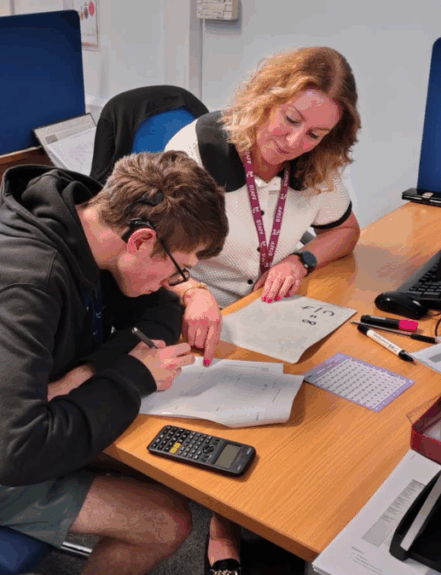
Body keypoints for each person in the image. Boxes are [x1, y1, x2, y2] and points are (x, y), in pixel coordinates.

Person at [0, 151, 229, 575]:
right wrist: (130, 375)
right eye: (178, 270)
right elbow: (14, 456)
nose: (175, 284)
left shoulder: (92, 235)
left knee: (180, 452)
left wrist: (85, 374)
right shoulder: (20, 284)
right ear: (140, 241)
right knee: (165, 523)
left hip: (24, 420)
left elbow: (162, 310)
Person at [165, 46, 362, 574]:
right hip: (190, 300)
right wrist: (189, 290)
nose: (295, 142)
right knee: (245, 394)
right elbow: (147, 248)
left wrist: (301, 259)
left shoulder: (313, 163)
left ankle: (293, 509)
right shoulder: (198, 152)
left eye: (315, 134)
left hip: (267, 302)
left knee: (322, 387)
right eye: (291, 120)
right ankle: (222, 524)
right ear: (266, 99)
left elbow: (345, 229)